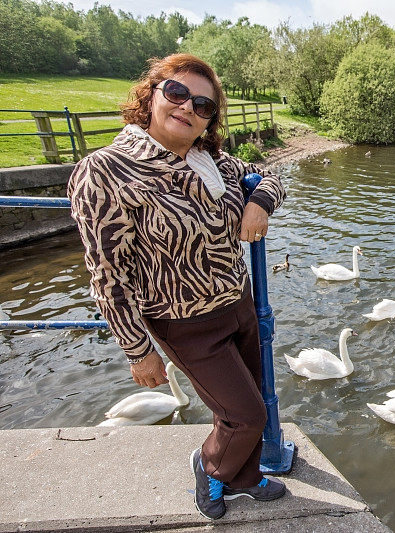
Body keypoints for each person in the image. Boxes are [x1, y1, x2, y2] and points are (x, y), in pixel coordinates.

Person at [68, 54, 287, 520]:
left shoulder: (217, 163)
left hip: (238, 304)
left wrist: (259, 205)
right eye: (177, 93)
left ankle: (244, 479)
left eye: (204, 105)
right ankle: (208, 466)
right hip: (184, 321)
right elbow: (107, 273)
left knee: (250, 402)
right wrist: (137, 349)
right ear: (150, 93)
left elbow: (270, 175)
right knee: (246, 414)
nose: (188, 108)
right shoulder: (106, 172)